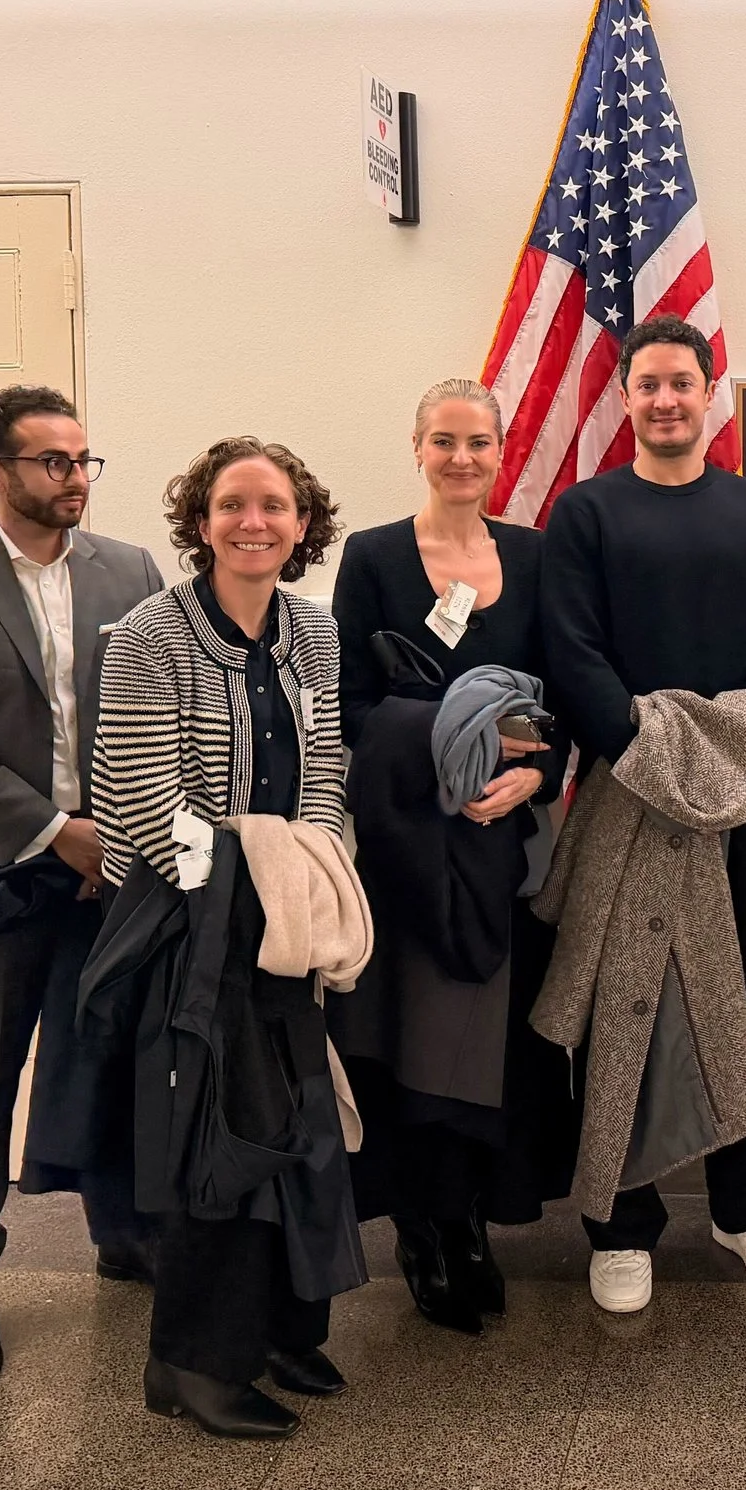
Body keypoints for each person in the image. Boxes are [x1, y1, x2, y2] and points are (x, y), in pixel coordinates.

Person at [0, 384, 166, 1383]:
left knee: (109, 1059)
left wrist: (121, 838)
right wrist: (56, 833)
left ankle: (122, 1233)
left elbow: (155, 708)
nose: (77, 479)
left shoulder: (131, 570)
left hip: (116, 875)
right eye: (55, 462)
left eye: (86, 460)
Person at [540, 312, 746, 1315]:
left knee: (745, 1002)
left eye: (680, 382)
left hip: (744, 803)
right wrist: (654, 760)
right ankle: (620, 1222)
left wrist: (716, 767)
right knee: (627, 1006)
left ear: (709, 394)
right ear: (625, 398)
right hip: (623, 795)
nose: (663, 398)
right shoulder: (586, 512)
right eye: (645, 383)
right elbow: (572, 653)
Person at [92, 437, 362, 1440]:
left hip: (288, 919)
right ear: (199, 522)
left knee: (299, 1129)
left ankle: (284, 1332)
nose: (255, 522)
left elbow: (326, 769)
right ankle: (194, 1367)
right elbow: (137, 796)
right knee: (222, 1138)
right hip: (189, 927)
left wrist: (315, 879)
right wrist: (239, 890)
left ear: (302, 525)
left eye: (276, 506)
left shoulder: (315, 634)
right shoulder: (145, 637)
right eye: (233, 504)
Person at [328, 377, 577, 1335]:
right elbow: (346, 702)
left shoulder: (537, 555)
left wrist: (534, 776)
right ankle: (424, 1226)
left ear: (503, 449)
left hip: (502, 843)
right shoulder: (376, 556)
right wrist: (450, 753)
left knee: (495, 1036)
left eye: (479, 441)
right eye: (444, 440)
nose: (462, 458)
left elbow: (559, 696)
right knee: (411, 1032)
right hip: (406, 843)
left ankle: (474, 1218)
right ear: (417, 447)